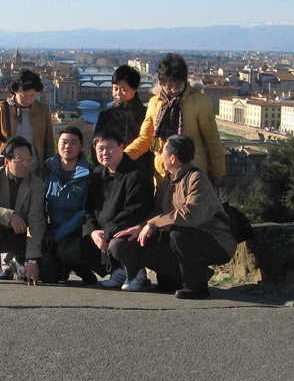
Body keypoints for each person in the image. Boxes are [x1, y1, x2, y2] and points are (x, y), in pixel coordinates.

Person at [120, 135, 236, 299]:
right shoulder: (168, 180)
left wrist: (153, 224)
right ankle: (174, 280)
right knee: (146, 244)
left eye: (162, 153)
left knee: (179, 234)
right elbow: (159, 210)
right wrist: (141, 226)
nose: (160, 156)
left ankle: (196, 286)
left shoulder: (196, 178)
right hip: (187, 236)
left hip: (216, 240)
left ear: (172, 158)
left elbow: (191, 215)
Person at [0, 69, 55, 279]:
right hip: (10, 169)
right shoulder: (0, 108)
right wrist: (7, 149)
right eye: (24, 95)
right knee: (8, 213)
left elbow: (48, 141)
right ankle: (6, 264)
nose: (28, 99)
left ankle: (23, 259)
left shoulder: (42, 110)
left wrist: (49, 165)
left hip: (35, 170)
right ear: (15, 91)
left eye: (33, 95)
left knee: (32, 215)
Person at [124, 53, 225, 185]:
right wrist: (124, 158)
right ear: (161, 83)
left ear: (185, 80)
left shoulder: (199, 102)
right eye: (167, 85)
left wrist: (218, 172)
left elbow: (212, 139)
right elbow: (145, 138)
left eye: (177, 85)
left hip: (192, 173)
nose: (172, 90)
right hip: (162, 174)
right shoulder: (155, 103)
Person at [81, 128, 154, 291]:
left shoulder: (136, 174)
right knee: (76, 243)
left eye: (110, 147)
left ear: (122, 147)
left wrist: (106, 233)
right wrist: (93, 231)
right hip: (105, 229)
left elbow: (135, 211)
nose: (105, 152)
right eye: (100, 149)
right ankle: (118, 270)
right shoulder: (98, 173)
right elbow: (89, 207)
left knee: (117, 245)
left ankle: (136, 273)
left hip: (131, 229)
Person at [0, 136, 45, 285]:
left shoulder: (37, 185)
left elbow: (36, 221)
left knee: (36, 274)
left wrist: (32, 260)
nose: (26, 164)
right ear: (7, 162)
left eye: (29, 159)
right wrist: (9, 216)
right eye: (19, 160)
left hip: (21, 236)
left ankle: (18, 262)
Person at [39, 126, 93, 284]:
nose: (67, 147)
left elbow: (85, 211)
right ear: (57, 144)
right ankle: (61, 269)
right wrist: (46, 232)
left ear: (81, 147)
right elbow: (38, 207)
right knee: (48, 277)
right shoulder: (47, 172)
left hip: (77, 233)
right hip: (51, 233)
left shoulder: (89, 175)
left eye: (73, 143)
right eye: (64, 142)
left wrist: (59, 234)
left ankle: (80, 267)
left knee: (66, 250)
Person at [93, 64, 152, 177]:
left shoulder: (146, 115)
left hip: (140, 174)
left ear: (135, 89)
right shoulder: (105, 116)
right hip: (111, 174)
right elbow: (95, 146)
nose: (118, 94)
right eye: (115, 89)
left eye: (124, 90)